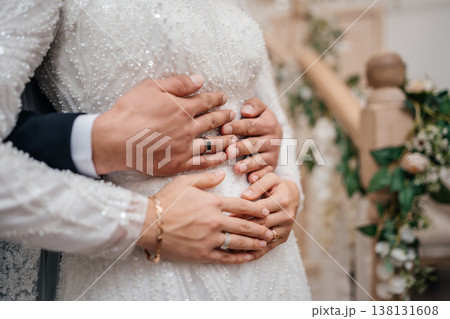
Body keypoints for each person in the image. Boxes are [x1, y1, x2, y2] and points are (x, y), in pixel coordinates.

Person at [1, 0, 310, 300]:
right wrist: (146, 221)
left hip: (272, 267)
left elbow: (267, 102)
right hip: (143, 269)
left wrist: (289, 183)